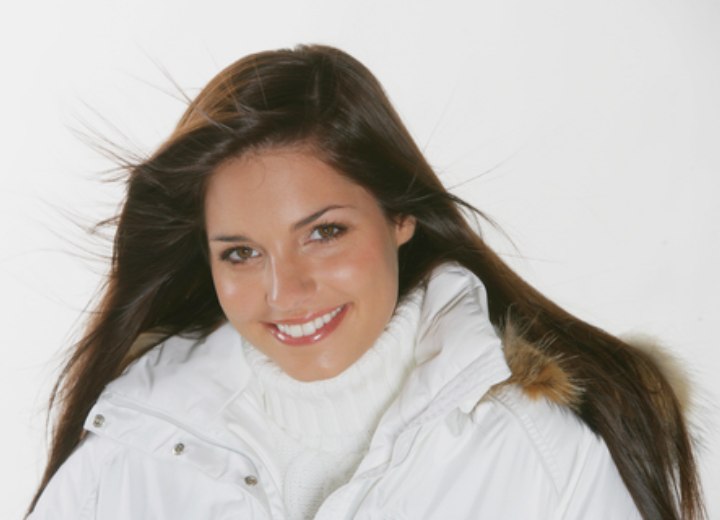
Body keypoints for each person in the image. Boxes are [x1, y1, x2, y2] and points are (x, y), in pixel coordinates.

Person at [27, 44, 704, 519]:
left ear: (400, 216)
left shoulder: (533, 455)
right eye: (240, 253)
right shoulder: (131, 453)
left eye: (324, 233)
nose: (284, 291)